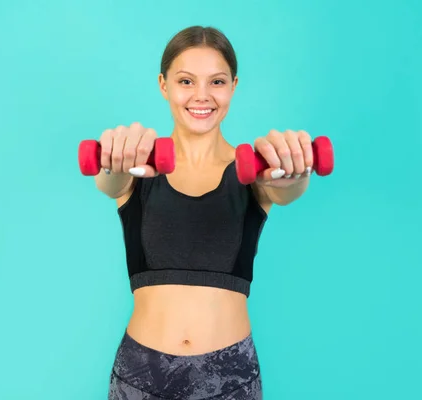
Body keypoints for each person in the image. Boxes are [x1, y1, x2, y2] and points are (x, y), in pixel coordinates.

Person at [95, 25, 314, 400]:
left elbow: (287, 190)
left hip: (229, 379)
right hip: (140, 378)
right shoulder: (138, 164)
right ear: (164, 85)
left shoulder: (256, 169)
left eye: (217, 82)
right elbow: (109, 183)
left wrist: (293, 172)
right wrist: (114, 159)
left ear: (233, 86)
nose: (202, 95)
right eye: (185, 81)